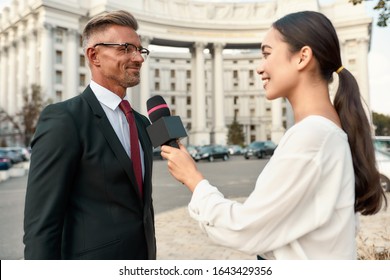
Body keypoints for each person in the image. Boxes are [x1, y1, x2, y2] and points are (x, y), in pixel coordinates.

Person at [161, 11, 387, 259]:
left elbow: (243, 229)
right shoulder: (326, 131)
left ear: (302, 57)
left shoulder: (312, 136)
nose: (260, 68)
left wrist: (194, 179)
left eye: (267, 54)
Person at [23, 10, 156, 260]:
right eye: (126, 48)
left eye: (140, 50)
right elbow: (41, 226)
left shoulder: (141, 122)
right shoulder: (64, 120)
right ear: (94, 55)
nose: (138, 58)